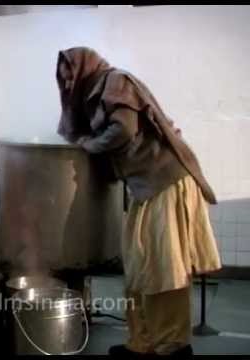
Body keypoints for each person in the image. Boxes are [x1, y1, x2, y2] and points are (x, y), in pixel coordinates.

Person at [55, 47, 221, 357]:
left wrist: (89, 145)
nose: (67, 85)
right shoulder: (97, 92)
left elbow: (124, 129)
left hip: (166, 182)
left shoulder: (115, 82)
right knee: (139, 266)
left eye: (70, 76)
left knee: (165, 267)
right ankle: (142, 342)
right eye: (63, 80)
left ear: (84, 68)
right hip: (145, 186)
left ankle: (172, 345)